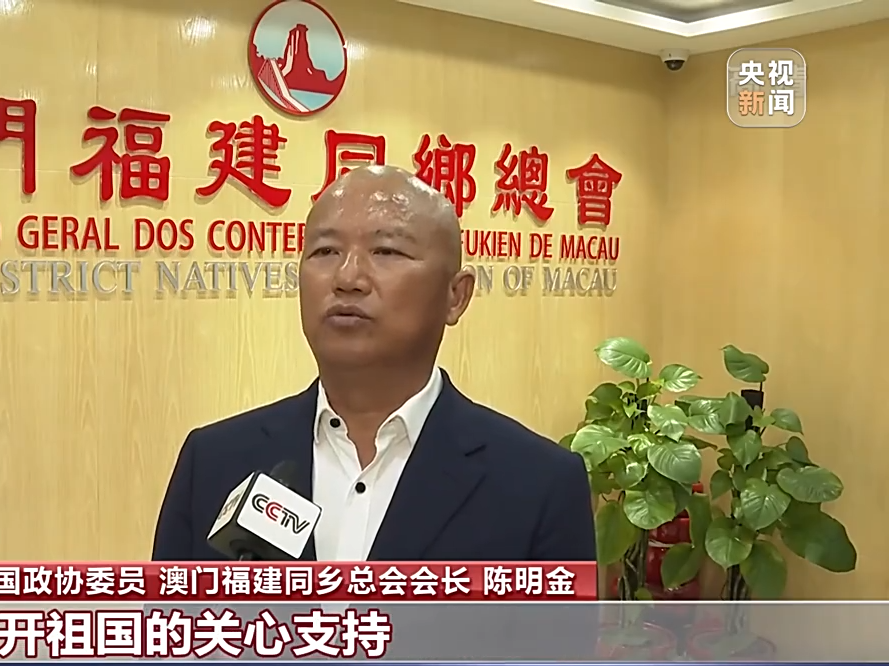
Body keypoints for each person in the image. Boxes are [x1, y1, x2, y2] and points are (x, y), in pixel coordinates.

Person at [150, 165, 595, 563]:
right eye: (325, 252)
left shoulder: (539, 484)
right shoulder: (213, 463)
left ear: (455, 296)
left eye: (386, 252)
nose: (347, 278)